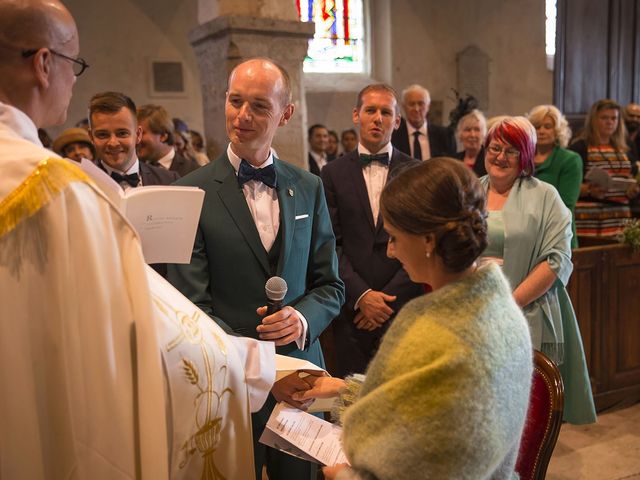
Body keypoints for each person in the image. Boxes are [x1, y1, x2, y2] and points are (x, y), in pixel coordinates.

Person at [0, 1, 170, 477]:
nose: (74, 80)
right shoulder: (58, 189)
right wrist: (253, 368)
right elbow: (119, 335)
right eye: (74, 65)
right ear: (43, 63)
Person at [297, 158, 533, 480]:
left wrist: (343, 476)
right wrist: (344, 390)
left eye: (393, 237)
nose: (391, 251)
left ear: (428, 241)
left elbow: (423, 467)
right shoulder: (500, 310)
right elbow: (426, 402)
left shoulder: (435, 333)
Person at [167, 58, 345, 480]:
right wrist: (263, 376)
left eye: (259, 106)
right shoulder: (189, 192)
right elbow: (192, 309)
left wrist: (301, 317)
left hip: (303, 382)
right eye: (235, 101)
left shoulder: (308, 186)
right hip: (226, 382)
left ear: (286, 113)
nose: (242, 116)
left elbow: (330, 285)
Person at [481, 116, 596, 424]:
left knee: (523, 417)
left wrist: (509, 304)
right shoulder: (470, 191)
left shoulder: (546, 196)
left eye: (511, 151)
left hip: (527, 310)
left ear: (526, 156)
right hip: (475, 315)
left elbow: (557, 259)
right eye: (494, 148)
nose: (500, 157)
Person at [321, 84, 422, 377]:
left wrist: (387, 300)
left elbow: (422, 240)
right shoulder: (332, 173)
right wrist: (363, 296)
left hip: (401, 306)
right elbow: (330, 243)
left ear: (397, 121)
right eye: (371, 110)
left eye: (386, 112)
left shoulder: (416, 171)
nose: (378, 118)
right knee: (351, 403)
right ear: (356, 114)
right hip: (352, 310)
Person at [569, 99, 640, 239]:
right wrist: (589, 190)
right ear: (594, 120)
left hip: (620, 216)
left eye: (614, 118)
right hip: (589, 217)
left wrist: (634, 190)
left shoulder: (627, 147)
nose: (610, 122)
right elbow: (569, 185)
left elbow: (633, 176)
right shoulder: (580, 147)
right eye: (604, 118)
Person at [89, 91, 179, 188]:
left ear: (138, 134)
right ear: (91, 137)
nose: (113, 143)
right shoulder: (79, 186)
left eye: (122, 133)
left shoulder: (169, 181)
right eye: (102, 135)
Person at [527, 104, 583, 248]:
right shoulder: (524, 158)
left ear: (558, 130)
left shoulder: (570, 160)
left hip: (557, 235)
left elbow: (566, 205)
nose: (541, 131)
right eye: (537, 126)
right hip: (525, 234)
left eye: (547, 126)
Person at [391, 83, 456, 160]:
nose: (416, 109)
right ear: (403, 106)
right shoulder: (393, 136)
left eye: (421, 103)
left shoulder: (445, 135)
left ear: (428, 106)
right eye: (411, 104)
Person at [136, 103, 200, 177]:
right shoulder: (135, 170)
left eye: (141, 133)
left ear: (163, 136)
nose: (136, 139)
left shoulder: (193, 172)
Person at [454, 108, 487, 176]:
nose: (472, 135)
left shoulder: (489, 159)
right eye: (468, 130)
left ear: (483, 134)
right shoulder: (453, 160)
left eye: (477, 129)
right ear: (460, 134)